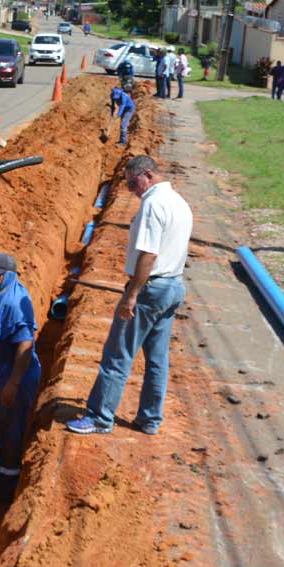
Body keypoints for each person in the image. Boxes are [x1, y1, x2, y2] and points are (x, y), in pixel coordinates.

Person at [65, 155, 192, 437]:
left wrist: (132, 294)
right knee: (157, 360)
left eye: (134, 183)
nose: (133, 190)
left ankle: (99, 417)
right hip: (173, 286)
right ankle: (150, 420)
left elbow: (149, 254)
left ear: (148, 175)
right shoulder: (180, 203)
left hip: (150, 289)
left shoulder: (152, 204)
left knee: (117, 355)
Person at [0, 253, 42, 502]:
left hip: (16, 377)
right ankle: (4, 475)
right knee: (0, 425)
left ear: (9, 276)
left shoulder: (13, 304)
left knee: (10, 429)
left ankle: (7, 488)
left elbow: (25, 346)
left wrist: (13, 384)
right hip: (4, 372)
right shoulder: (0, 296)